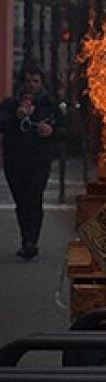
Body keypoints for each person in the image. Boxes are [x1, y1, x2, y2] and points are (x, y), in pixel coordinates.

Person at [1, 66, 60, 260]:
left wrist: (50, 130)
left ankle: (31, 241)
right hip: (15, 160)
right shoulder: (10, 104)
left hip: (39, 160)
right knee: (22, 200)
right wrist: (16, 116)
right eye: (28, 82)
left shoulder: (49, 105)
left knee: (34, 198)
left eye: (35, 81)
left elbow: (64, 129)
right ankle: (25, 238)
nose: (31, 86)